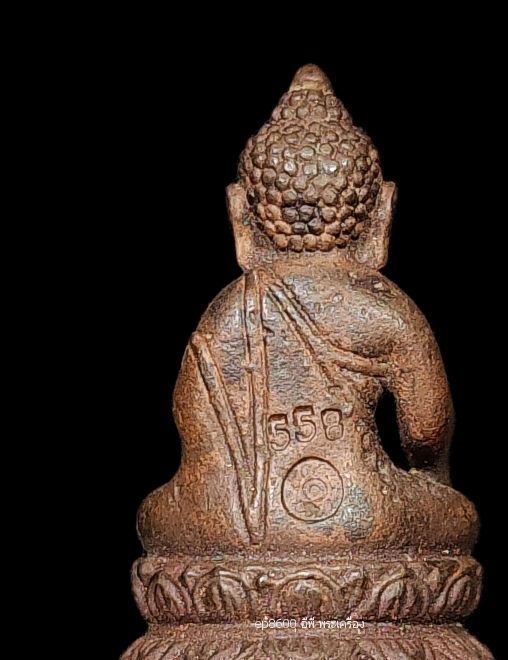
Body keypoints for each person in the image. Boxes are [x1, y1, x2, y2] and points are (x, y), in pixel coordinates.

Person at [137, 65, 479, 559]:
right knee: (457, 516)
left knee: (155, 516)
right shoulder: (385, 310)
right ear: (382, 216)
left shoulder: (224, 313)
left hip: (224, 528)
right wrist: (433, 479)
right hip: (360, 512)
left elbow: (189, 424)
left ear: (240, 216)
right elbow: (426, 433)